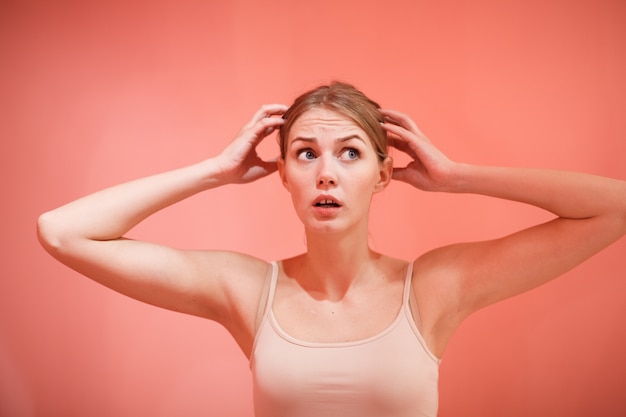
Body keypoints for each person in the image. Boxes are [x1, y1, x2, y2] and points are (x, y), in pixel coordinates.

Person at [37, 81, 626, 417]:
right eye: (305, 153)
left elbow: (616, 206)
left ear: (382, 174)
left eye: (350, 153)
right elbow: (63, 231)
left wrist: (458, 175)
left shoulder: (433, 288)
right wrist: (214, 171)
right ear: (283, 174)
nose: (326, 174)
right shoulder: (246, 292)